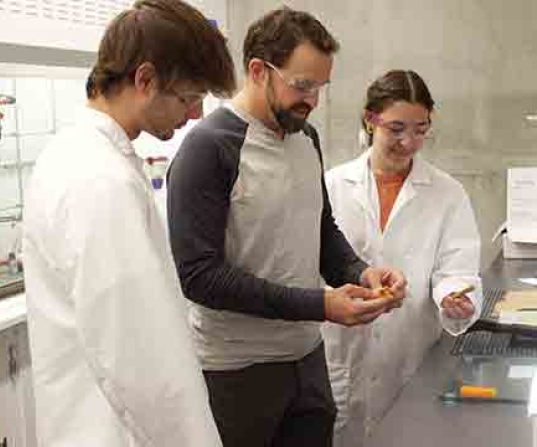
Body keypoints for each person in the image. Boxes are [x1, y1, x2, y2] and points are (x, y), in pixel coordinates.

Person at [166, 7, 407, 447]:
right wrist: (321, 305)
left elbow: (320, 230)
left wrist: (359, 272)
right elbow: (200, 277)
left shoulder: (305, 138)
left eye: (320, 87)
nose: (312, 100)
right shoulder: (209, 149)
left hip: (306, 362)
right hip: (236, 373)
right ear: (258, 70)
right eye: (302, 85)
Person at [22, 1, 236, 446]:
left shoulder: (83, 156)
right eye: (189, 97)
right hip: (113, 431)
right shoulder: (98, 179)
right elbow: (138, 354)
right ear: (145, 80)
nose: (195, 115)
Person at [321, 70, 482, 446]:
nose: (409, 142)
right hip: (344, 357)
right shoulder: (331, 185)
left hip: (410, 359)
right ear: (369, 119)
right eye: (396, 128)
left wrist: (453, 296)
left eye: (420, 129)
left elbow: (456, 268)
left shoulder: (448, 193)